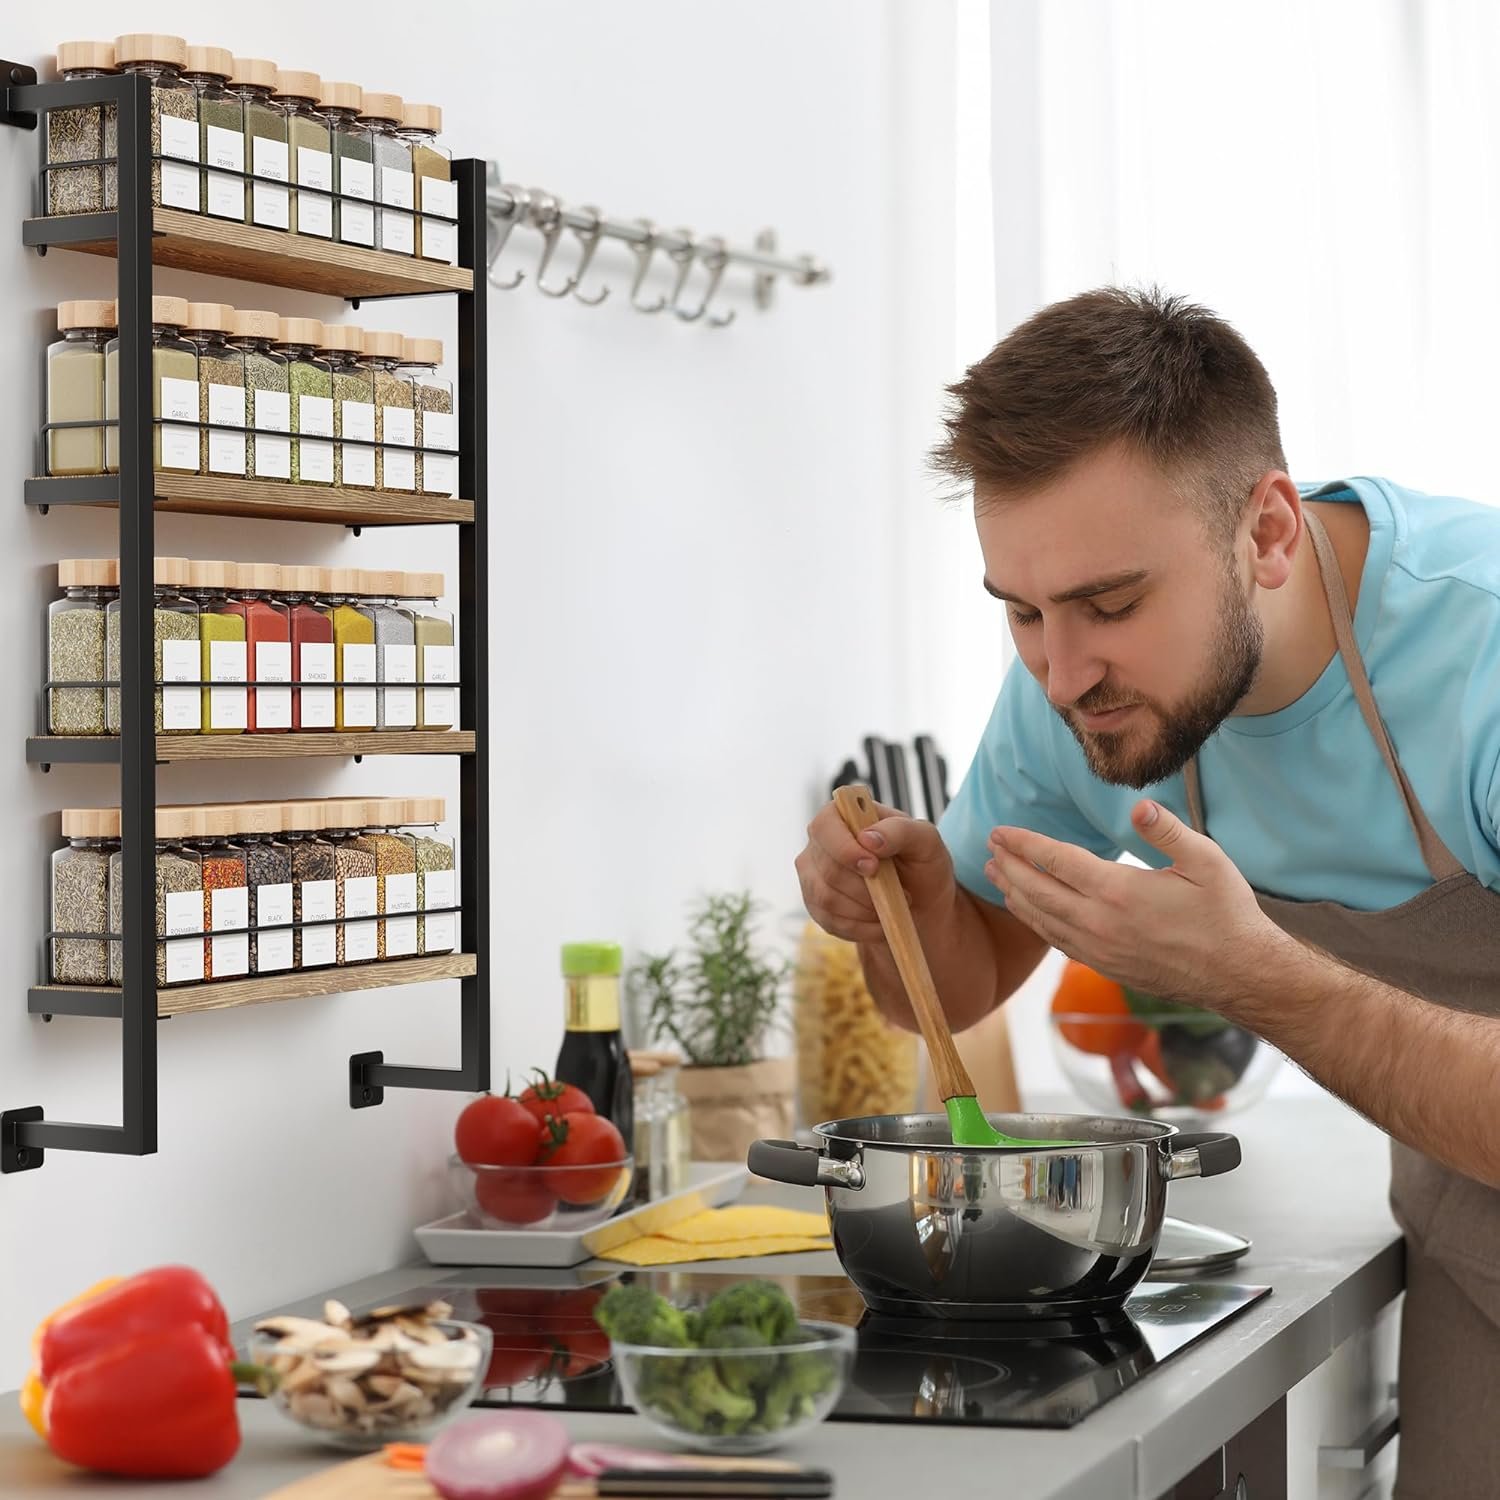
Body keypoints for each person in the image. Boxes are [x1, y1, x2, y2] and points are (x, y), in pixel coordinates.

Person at [796, 285, 1500, 1499]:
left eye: (1111, 605)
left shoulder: (1478, 653)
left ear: (1267, 533)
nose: (1061, 673)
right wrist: (903, 913)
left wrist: (1246, 972)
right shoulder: (1081, 688)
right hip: (1476, 1260)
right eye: (1021, 611)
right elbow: (952, 990)